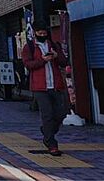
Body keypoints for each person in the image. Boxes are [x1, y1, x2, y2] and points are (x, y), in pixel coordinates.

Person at [22, 21, 69, 157]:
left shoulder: (54, 45)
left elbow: (64, 62)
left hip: (56, 85)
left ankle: (47, 131)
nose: (42, 35)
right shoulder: (29, 47)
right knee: (47, 115)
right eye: (40, 33)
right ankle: (51, 143)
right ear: (35, 33)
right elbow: (28, 65)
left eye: (44, 33)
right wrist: (43, 60)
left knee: (61, 113)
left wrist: (56, 56)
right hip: (40, 87)